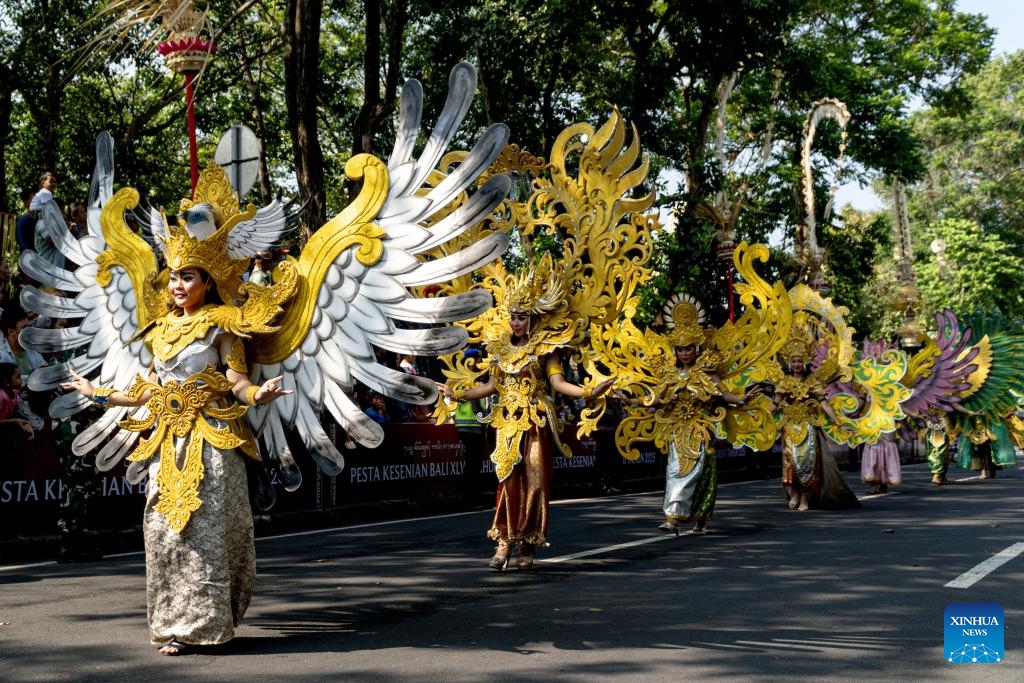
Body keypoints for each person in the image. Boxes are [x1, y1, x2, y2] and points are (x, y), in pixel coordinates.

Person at [60, 261, 291, 656]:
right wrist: (95, 391)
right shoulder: (162, 331)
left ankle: (207, 625)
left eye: (188, 277)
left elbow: (237, 383)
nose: (177, 285)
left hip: (213, 443)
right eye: (173, 277)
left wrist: (259, 395)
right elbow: (145, 391)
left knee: (209, 534)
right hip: (168, 443)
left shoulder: (224, 326)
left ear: (207, 283)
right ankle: (173, 627)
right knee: (164, 533)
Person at [439, 297, 614, 571]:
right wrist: (457, 394)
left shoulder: (547, 349)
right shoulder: (501, 349)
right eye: (512, 317)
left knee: (536, 483)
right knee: (507, 482)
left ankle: (528, 544)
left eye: (521, 317)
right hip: (506, 422)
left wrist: (590, 391)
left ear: (534, 319)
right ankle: (505, 541)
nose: (515, 323)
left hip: (536, 420)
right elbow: (490, 388)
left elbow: (558, 383)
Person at [657, 339, 751, 535]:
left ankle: (700, 518)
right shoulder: (670, 375)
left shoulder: (708, 375)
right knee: (676, 471)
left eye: (688, 348)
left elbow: (723, 395)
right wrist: (632, 400)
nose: (684, 353)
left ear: (697, 349)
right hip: (677, 431)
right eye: (680, 349)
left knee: (701, 475)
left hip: (701, 430)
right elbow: (658, 399)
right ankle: (673, 517)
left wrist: (740, 398)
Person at [773, 342, 860, 511]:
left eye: (800, 361)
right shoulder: (784, 383)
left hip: (808, 426)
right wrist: (756, 412)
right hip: (790, 427)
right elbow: (775, 404)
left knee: (808, 461)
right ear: (790, 363)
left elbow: (824, 404)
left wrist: (837, 422)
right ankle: (795, 493)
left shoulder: (812, 382)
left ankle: (806, 497)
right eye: (794, 361)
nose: (797, 364)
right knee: (790, 462)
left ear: (805, 362)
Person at [0, 361, 34, 439]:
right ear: (7, 382)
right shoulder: (2, 397)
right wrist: (15, 421)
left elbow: (22, 388)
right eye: (18, 377)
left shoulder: (14, 391)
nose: (21, 379)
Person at [860, 429, 901, 494]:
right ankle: (873, 483)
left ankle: (884, 485)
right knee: (873, 462)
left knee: (886, 462)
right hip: (873, 437)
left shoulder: (893, 419)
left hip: (887, 437)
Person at [15, 187, 38, 257]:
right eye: (34, 199)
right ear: (26, 203)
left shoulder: (40, 219)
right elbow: (23, 245)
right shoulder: (23, 220)